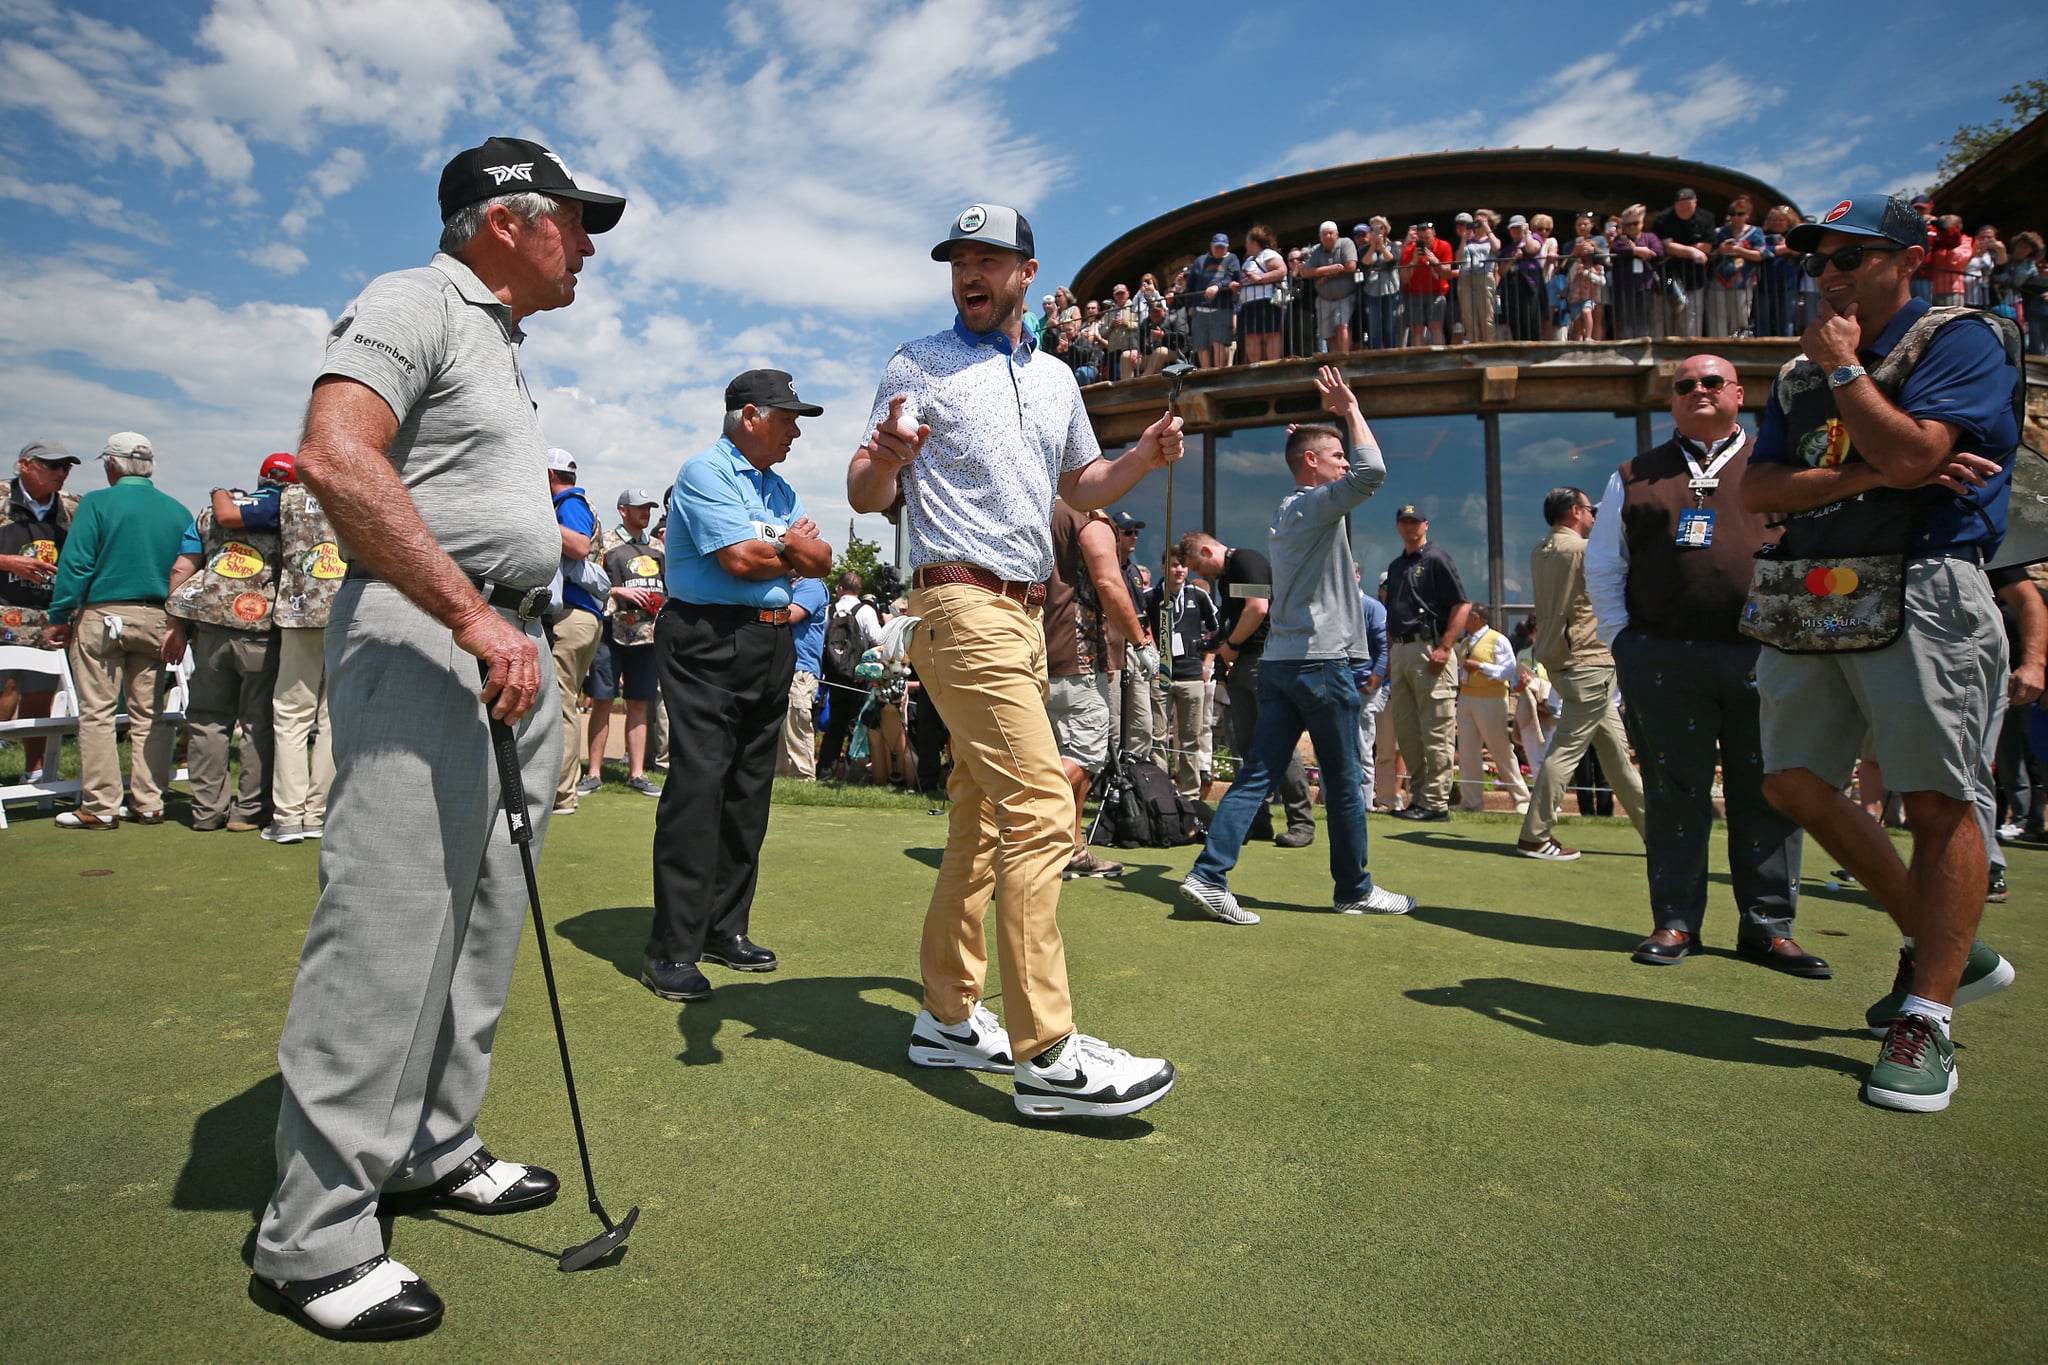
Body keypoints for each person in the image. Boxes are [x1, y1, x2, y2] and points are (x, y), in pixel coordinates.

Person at [252, 136, 627, 1341]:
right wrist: (470, 613)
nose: (585, 246)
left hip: (502, 647)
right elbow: (334, 457)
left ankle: (429, 1145)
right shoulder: (415, 300)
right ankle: (312, 1237)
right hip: (433, 637)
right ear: (507, 220)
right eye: (575, 222)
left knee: (479, 925)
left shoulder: (499, 341)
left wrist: (505, 622)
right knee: (390, 922)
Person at [846, 201, 1182, 1119]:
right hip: (957, 599)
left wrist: (1143, 458)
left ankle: (950, 1018)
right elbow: (866, 488)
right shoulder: (916, 364)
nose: (970, 273)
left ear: (1028, 272)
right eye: (959, 259)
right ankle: (1048, 1053)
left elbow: (1083, 487)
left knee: (985, 816)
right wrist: (886, 454)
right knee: (1043, 805)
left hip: (1026, 617)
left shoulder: (1060, 380)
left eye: (989, 258)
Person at [1744, 194, 2021, 1113]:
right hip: (1816, 589)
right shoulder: (1797, 374)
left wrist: (1850, 376)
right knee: (1790, 778)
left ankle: (1928, 1018)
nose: (1828, 270)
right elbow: (1763, 489)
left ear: (1907, 259)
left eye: (1852, 254)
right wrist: (1863, 468)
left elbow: (1918, 459)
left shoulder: (1962, 337)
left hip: (1928, 579)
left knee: (1938, 798)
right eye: (1818, 255)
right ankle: (1948, 940)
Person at [1586, 355, 1823, 974]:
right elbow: (1605, 566)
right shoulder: (1634, 475)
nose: (1698, 392)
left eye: (1712, 382)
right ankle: (1675, 922)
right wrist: (1623, 643)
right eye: (1685, 385)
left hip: (1767, 654)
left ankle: (1769, 927)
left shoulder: (1780, 464)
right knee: (1673, 794)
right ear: (1672, 401)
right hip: (1663, 659)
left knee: (1768, 792)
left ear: (1739, 393)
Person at [1181, 366, 1414, 923]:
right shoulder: (1311, 507)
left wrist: (1320, 435)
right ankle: (1355, 888)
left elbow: (1344, 471)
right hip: (1321, 663)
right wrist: (1348, 410)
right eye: (1334, 455)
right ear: (1312, 464)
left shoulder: (1293, 510)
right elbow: (1372, 471)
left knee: (1258, 770)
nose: (1345, 460)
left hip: (1285, 664)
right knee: (1344, 780)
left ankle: (1208, 874)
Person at [640, 369, 832, 1004]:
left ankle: (725, 927)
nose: (795, 431)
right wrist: (791, 552)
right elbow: (741, 561)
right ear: (749, 416)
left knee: (750, 791)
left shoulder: (781, 490)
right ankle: (672, 947)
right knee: (699, 786)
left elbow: (825, 561)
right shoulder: (705, 472)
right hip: (707, 637)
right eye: (786, 419)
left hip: (770, 641)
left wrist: (792, 552)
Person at [41, 434, 188, 830]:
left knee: (98, 713)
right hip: (158, 618)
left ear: (112, 464)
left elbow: (77, 565)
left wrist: (59, 615)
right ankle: (150, 802)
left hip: (103, 615)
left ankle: (102, 805)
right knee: (149, 715)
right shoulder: (176, 510)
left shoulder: (96, 502)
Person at [204, 454, 347, 843]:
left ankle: (288, 817)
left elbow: (228, 516)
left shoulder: (285, 497)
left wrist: (219, 490)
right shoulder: (350, 493)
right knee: (332, 717)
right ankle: (319, 813)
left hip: (299, 614)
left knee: (291, 718)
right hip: (346, 613)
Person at [1514, 487, 1644, 859]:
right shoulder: (1582, 551)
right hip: (1588, 661)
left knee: (1617, 757)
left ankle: (1657, 833)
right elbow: (1621, 579)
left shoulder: (1540, 550)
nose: (1593, 517)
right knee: (1567, 751)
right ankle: (1535, 834)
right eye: (1590, 511)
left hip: (1564, 660)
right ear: (1575, 512)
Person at [166, 455, 293, 833]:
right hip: (263, 632)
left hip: (210, 631)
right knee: (258, 722)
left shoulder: (208, 515)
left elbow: (180, 570)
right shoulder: (290, 517)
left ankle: (206, 811)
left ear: (259, 478)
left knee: (207, 719)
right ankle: (249, 811)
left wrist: (175, 624)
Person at [1180, 528, 1318, 846]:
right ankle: (1259, 820)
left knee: (1278, 741)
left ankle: (1301, 822)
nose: (1202, 575)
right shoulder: (1230, 577)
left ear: (1205, 552)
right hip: (1244, 663)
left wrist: (1229, 645)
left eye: (1199, 568)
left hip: (1263, 660)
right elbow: (1240, 614)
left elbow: (1258, 607)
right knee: (1248, 745)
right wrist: (1219, 645)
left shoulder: (1245, 560)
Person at [1045, 499, 1149, 880]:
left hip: (1031, 651)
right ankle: (1016, 838)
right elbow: (1107, 580)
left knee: (1057, 754)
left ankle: (1071, 849)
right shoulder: (1087, 514)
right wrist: (1141, 642)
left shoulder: (1029, 505)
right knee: (1083, 757)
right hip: (1079, 656)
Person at [1382, 505, 1470, 821]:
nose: (1410, 527)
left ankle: (1436, 803)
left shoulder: (1437, 559)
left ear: (1425, 525)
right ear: (1398, 526)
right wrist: (1391, 655)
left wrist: (1446, 646)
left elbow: (1461, 604)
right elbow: (1393, 614)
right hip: (1403, 651)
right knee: (1406, 732)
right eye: (1404, 522)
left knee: (1437, 730)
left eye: (1415, 522)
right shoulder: (1395, 567)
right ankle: (1418, 798)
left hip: (1430, 647)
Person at [0, 439, 82, 779]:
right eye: (52, 465)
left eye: (66, 466)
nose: (60, 473)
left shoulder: (72, 507)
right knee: (3, 690)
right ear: (25, 465)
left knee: (41, 693)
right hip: (3, 610)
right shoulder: (2, 497)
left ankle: (35, 769)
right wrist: (7, 562)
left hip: (50, 616)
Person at [586, 488, 666, 796]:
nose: (645, 512)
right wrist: (619, 593)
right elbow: (589, 578)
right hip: (611, 630)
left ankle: (637, 773)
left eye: (648, 507)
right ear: (623, 510)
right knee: (603, 699)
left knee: (638, 703)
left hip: (648, 636)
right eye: (639, 507)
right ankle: (593, 773)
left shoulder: (658, 546)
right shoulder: (605, 542)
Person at [544, 448, 604, 815]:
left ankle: (561, 794)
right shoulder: (576, 500)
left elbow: (579, 546)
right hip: (582, 617)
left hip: (572, 616)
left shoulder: (568, 501)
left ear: (550, 476)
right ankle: (562, 790)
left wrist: (537, 519)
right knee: (565, 704)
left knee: (561, 706)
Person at [1145, 549, 1219, 799]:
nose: (1179, 570)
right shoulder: (1151, 596)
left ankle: (1190, 794)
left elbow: (1216, 630)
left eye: (1183, 566)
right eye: (1174, 565)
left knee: (1189, 736)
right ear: (1164, 567)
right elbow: (1140, 630)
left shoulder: (1198, 595)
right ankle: (1161, 793)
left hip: (1192, 676)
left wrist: (1207, 663)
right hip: (1160, 676)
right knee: (1156, 736)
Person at [1452, 605, 1530, 813]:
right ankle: (1471, 802)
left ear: (1476, 617)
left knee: (1501, 750)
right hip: (1467, 698)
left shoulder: (1498, 639)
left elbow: (1508, 671)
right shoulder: (1465, 642)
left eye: (1465, 615)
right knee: (1468, 752)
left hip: (1491, 699)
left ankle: (1522, 800)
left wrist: (1481, 667)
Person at [818, 570, 881, 777]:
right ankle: (855, 772)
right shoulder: (866, 611)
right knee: (856, 723)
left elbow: (822, 642)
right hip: (858, 677)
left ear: (840, 588)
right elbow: (876, 642)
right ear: (859, 590)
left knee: (835, 725)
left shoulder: (830, 611)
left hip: (835, 677)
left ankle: (826, 770)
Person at [1105, 510, 1155, 762]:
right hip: (1112, 647)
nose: (1134, 537)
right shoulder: (1104, 567)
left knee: (1142, 721)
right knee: (1112, 719)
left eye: (1136, 532)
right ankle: (1108, 779)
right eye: (1128, 532)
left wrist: (1152, 650)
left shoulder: (1134, 570)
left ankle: (1137, 776)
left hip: (1137, 648)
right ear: (1114, 535)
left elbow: (1142, 614)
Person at [779, 573, 830, 779]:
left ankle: (803, 776)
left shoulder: (812, 585)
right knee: (778, 725)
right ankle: (779, 775)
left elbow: (791, 615)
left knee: (796, 719)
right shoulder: (786, 584)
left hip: (801, 667)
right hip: (780, 665)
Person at [1652, 189, 1715, 337]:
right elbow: (1666, 246)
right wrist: (1692, 252)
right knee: (1665, 320)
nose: (1684, 208)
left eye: (1688, 204)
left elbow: (1706, 247)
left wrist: (1678, 249)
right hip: (1667, 278)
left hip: (1695, 279)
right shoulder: (1664, 218)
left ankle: (1691, 352)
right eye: (1680, 205)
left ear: (1695, 203)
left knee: (1691, 320)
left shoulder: (1706, 217)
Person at [1706, 196, 1765, 338]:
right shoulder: (1719, 232)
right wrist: (1720, 250)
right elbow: (1709, 255)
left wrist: (1740, 251)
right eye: (1732, 214)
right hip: (1718, 280)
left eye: (1740, 214)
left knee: (1740, 318)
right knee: (1717, 318)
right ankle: (1718, 349)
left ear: (1748, 215)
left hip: (1743, 280)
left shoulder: (1756, 232)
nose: (1736, 217)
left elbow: (1761, 254)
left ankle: (1738, 349)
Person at [1183, 232, 1242, 369]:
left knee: (1218, 342)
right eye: (1217, 247)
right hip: (1200, 309)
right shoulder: (1200, 261)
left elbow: (1232, 278)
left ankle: (1218, 373)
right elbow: (1191, 284)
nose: (1220, 250)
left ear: (1227, 247)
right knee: (1201, 344)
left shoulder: (1232, 259)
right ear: (1211, 246)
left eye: (1222, 247)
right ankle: (1206, 373)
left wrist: (1218, 286)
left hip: (1221, 308)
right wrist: (1190, 306)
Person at [1302, 220, 1358, 354]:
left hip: (1343, 296)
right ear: (1320, 237)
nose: (1327, 236)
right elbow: (1306, 272)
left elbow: (1351, 266)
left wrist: (1326, 276)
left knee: (1342, 326)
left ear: (1336, 234)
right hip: (1324, 299)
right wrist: (1330, 269)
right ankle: (1334, 360)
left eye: (1330, 233)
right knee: (1328, 334)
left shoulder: (1346, 243)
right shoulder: (1316, 250)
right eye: (1324, 234)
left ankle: (1343, 358)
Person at [1608, 205, 1663, 340]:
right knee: (1626, 321)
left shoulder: (1650, 237)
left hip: (1645, 286)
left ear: (1642, 223)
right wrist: (1638, 251)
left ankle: (1642, 346)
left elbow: (1659, 252)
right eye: (1628, 224)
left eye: (1635, 223)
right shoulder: (1620, 239)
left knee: (1643, 320)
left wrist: (1639, 249)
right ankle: (1628, 347)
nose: (1632, 227)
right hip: (1624, 287)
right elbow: (1616, 249)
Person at [1239, 225, 1287, 363]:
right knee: (1251, 336)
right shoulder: (1248, 260)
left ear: (1253, 243)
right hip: (1248, 304)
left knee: (1271, 334)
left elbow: (1281, 270)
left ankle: (1272, 367)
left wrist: (1260, 279)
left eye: (1247, 243)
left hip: (1266, 301)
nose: (1245, 246)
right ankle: (1256, 367)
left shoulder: (1268, 254)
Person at [1402, 222, 1454, 346]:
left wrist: (1435, 261)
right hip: (1414, 293)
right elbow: (1403, 279)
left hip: (1437, 292)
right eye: (1421, 239)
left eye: (1427, 238)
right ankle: (1419, 359)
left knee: (1436, 326)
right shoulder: (1410, 250)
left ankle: (1439, 357)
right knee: (1417, 328)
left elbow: (1447, 274)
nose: (1424, 241)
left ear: (1434, 234)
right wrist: (1414, 260)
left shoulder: (1444, 246)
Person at [1356, 219, 1403, 350]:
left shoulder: (1393, 246)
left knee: (1390, 327)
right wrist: (1372, 247)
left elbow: (1392, 262)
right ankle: (1374, 356)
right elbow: (1365, 264)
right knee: (1374, 327)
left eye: (1380, 228)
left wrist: (1382, 247)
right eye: (1373, 229)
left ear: (1386, 230)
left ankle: (1391, 354)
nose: (1377, 231)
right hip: (1371, 291)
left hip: (1391, 290)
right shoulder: (1364, 249)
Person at [1452, 212, 1498, 345]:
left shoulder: (1491, 239)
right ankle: (1473, 343)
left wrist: (1487, 228)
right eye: (1475, 222)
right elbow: (1459, 260)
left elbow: (1496, 247)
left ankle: (1490, 345)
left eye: (1481, 222)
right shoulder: (1468, 241)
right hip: (1466, 277)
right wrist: (1464, 239)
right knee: (1468, 315)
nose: (1477, 225)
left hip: (1484, 275)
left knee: (1486, 315)